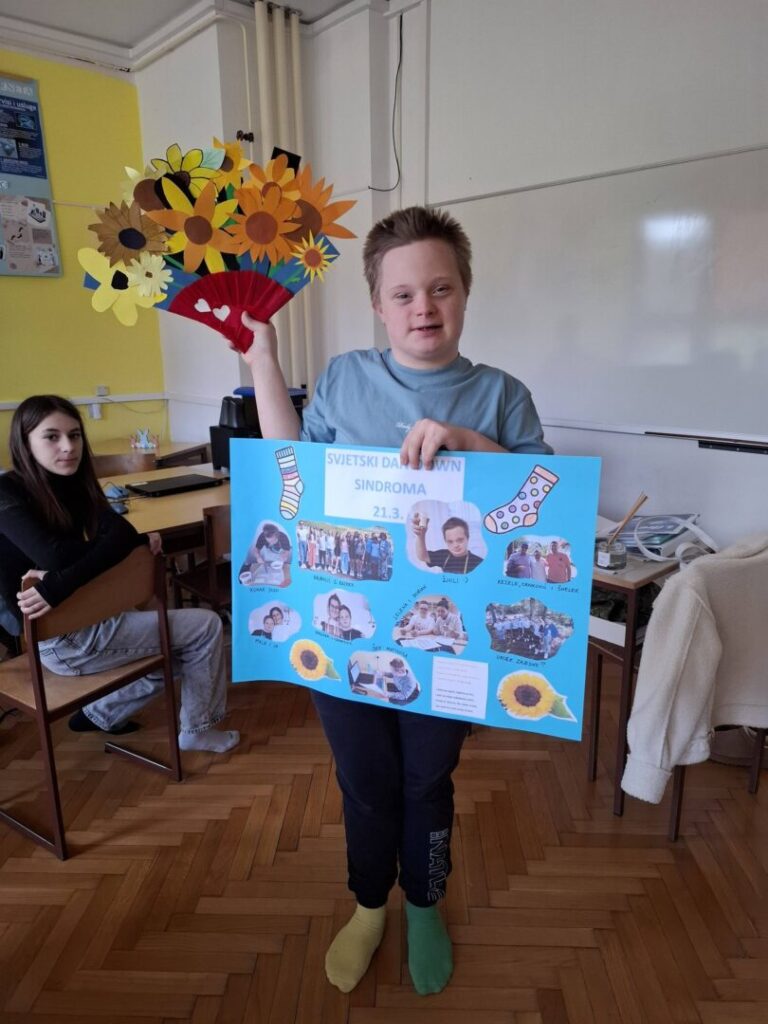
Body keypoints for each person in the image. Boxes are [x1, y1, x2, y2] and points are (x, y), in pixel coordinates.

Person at [239, 205, 551, 996]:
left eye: (441, 289)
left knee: (426, 782)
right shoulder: (345, 377)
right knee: (364, 783)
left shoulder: (502, 395)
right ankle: (369, 903)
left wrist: (472, 445)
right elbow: (292, 467)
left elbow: (544, 505)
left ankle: (425, 903)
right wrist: (262, 358)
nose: (424, 308)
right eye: (404, 294)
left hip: (448, 644)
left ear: (465, 293)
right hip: (341, 634)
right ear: (378, 304)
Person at [0, 395, 239, 753]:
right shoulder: (7, 493)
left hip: (87, 611)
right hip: (62, 638)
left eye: (75, 435)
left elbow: (122, 533)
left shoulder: (72, 483)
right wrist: (110, 549)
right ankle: (196, 730)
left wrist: (60, 581)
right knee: (205, 628)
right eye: (52, 437)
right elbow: (57, 553)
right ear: (25, 442)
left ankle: (101, 713)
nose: (68, 446)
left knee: (182, 645)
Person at [412, 514, 483, 575]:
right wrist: (421, 535)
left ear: (467, 538)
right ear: (445, 541)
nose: (455, 545)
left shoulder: (478, 563)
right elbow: (423, 556)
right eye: (450, 541)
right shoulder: (443, 555)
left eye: (460, 540)